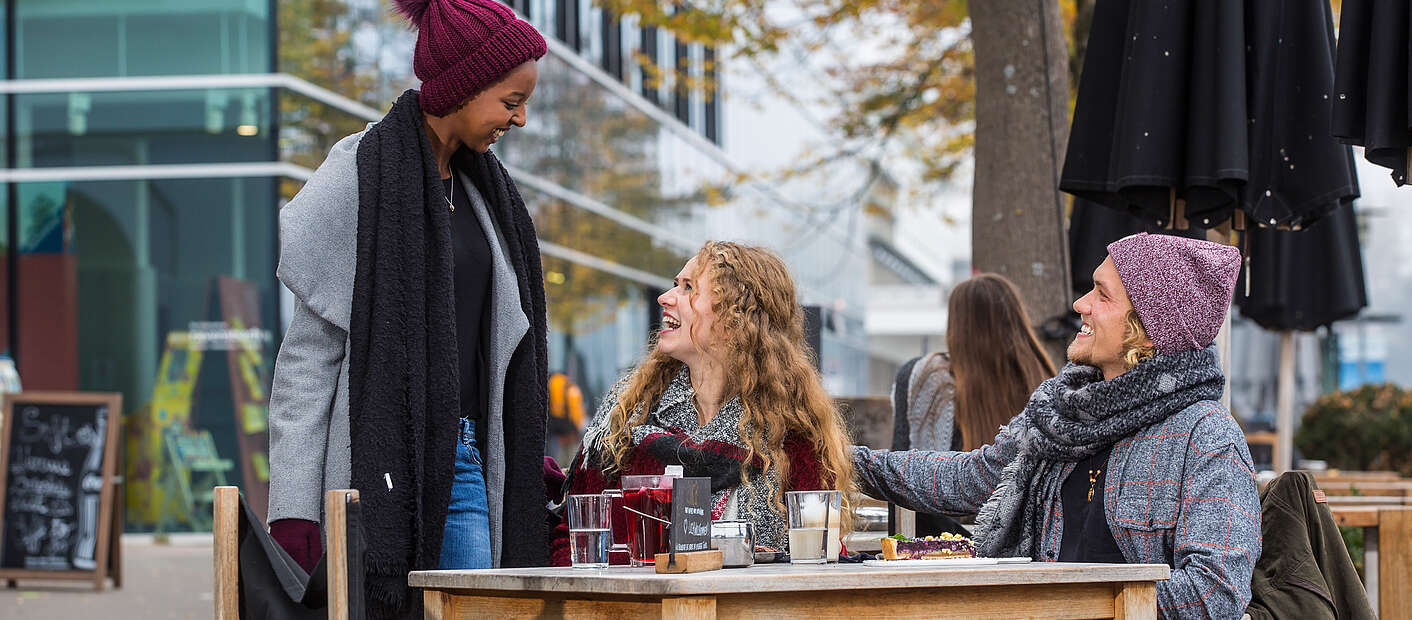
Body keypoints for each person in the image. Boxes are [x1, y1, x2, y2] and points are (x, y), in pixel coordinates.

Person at [265, 0, 551, 616]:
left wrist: (521, 450)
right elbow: (306, 366)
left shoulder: (487, 195)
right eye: (509, 101)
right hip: (380, 477)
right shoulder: (361, 177)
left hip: (470, 463)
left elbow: (493, 349)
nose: (521, 118)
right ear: (464, 86)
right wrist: (291, 511)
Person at [854, 233, 1260, 618]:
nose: (1081, 304)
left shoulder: (1207, 437)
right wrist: (846, 461)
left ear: (1148, 330)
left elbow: (1214, 594)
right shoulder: (1061, 413)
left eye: (1102, 294)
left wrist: (1070, 602)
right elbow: (970, 478)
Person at [553, 241, 854, 563]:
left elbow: (824, 551)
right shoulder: (629, 410)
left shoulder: (789, 424)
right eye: (674, 285)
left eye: (687, 288)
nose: (665, 298)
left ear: (736, 316)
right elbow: (572, 531)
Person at [889, 273, 1056, 536]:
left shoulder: (928, 379)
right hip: (1024, 548)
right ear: (1016, 320)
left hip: (939, 549)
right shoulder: (1046, 383)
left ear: (956, 324)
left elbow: (898, 469)